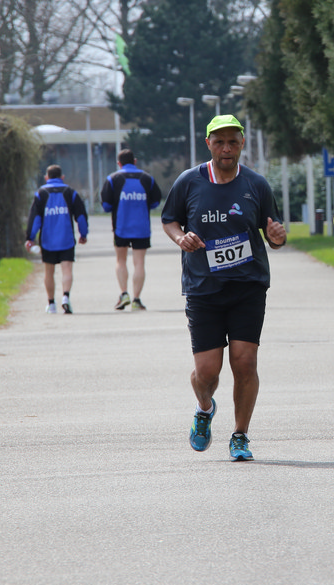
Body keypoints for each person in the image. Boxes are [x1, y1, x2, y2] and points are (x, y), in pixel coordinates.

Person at [160, 114, 287, 462]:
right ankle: (204, 408)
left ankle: (240, 435)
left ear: (242, 143)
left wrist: (278, 237)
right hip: (203, 289)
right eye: (220, 142)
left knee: (244, 363)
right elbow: (169, 219)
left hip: (248, 286)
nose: (227, 148)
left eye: (233, 141)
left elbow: (274, 232)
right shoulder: (189, 182)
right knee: (207, 373)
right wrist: (180, 237)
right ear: (209, 144)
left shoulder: (256, 184)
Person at [101, 148, 163, 311]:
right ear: (135, 161)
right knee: (139, 262)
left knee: (120, 260)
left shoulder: (112, 179)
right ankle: (136, 300)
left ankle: (124, 294)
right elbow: (156, 202)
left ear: (119, 163)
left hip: (121, 227)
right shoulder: (147, 178)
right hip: (142, 228)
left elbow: (106, 205)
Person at [25, 165, 89, 314]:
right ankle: (66, 297)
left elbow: (35, 219)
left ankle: (51, 304)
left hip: (48, 240)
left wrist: (30, 237)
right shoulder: (70, 193)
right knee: (67, 269)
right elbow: (81, 216)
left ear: (46, 178)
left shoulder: (41, 194)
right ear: (62, 177)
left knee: (49, 272)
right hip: (66, 239)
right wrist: (83, 234)